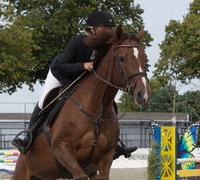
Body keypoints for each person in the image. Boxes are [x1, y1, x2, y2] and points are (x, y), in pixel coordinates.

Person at [12, 10, 137, 158]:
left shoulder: (106, 46)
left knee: (107, 104)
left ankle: (116, 143)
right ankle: (28, 137)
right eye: (106, 27)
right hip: (61, 74)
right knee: (44, 101)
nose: (109, 31)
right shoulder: (78, 41)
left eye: (111, 28)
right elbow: (62, 65)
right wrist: (82, 66)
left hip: (84, 79)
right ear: (93, 28)